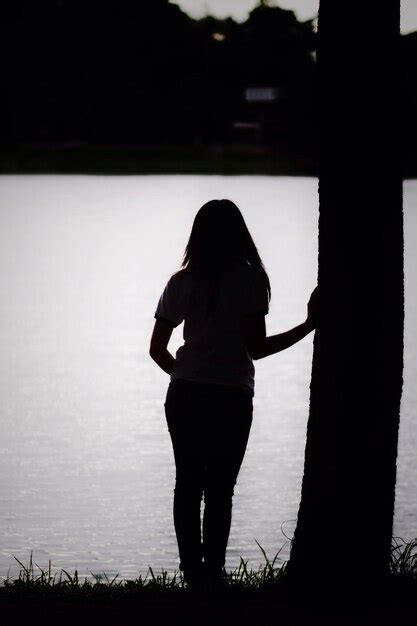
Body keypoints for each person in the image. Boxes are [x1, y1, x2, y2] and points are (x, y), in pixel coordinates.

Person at [149, 199, 318, 589]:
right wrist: (309, 325)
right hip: (232, 397)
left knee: (188, 484)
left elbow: (157, 349)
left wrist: (188, 373)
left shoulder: (181, 282)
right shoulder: (251, 281)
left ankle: (192, 573)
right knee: (221, 488)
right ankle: (214, 573)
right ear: (240, 235)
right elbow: (256, 348)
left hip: (185, 395)